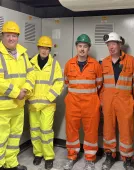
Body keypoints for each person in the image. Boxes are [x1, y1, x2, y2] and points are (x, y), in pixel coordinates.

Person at [100, 32, 134, 170]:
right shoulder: (104, 62)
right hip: (108, 102)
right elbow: (100, 85)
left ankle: (128, 159)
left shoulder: (130, 61)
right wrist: (101, 102)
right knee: (108, 130)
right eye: (108, 44)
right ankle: (109, 156)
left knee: (127, 131)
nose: (111, 47)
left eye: (113, 44)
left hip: (125, 102)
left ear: (119, 45)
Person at [63, 34, 103, 170]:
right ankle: (71, 156)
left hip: (90, 104)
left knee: (91, 132)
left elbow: (99, 84)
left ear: (88, 49)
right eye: (80, 46)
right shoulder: (69, 64)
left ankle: (90, 159)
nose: (82, 49)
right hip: (72, 103)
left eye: (85, 46)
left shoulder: (96, 65)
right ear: (76, 47)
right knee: (71, 131)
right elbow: (66, 82)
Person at [0, 21, 35, 170]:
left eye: (14, 36)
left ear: (18, 37)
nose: (11, 39)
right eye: (8, 35)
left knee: (14, 138)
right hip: (3, 107)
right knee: (1, 139)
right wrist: (16, 92)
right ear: (2, 36)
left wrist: (26, 89)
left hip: (18, 106)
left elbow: (31, 74)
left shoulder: (23, 54)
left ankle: (11, 164)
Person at [28, 36, 63, 169]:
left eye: (47, 48)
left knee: (46, 131)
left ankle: (48, 157)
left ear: (50, 50)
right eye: (42, 47)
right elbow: (26, 81)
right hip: (33, 104)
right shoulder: (30, 63)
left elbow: (59, 82)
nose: (44, 50)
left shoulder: (55, 64)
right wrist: (29, 97)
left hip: (48, 104)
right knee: (35, 130)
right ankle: (38, 154)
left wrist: (49, 97)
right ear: (38, 48)